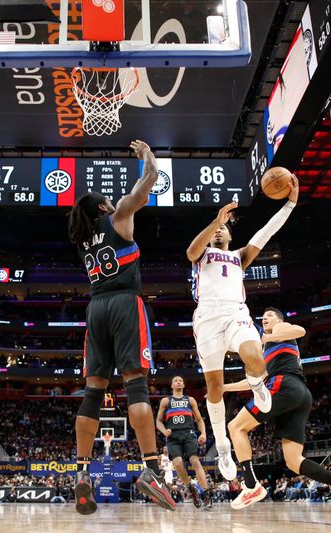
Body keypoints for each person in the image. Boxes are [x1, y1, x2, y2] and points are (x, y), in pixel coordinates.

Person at [67, 140, 175, 515]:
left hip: (95, 308)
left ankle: (81, 473)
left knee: (93, 392)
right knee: (136, 385)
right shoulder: (119, 216)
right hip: (126, 303)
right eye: (109, 202)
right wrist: (147, 156)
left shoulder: (82, 239)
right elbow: (151, 180)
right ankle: (148, 469)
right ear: (103, 207)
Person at [185, 177, 298, 480]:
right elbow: (191, 250)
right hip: (207, 318)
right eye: (216, 229)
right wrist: (215, 220)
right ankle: (222, 445)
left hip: (236, 313)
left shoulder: (240, 256)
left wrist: (290, 203)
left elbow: (266, 231)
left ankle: (259, 389)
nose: (220, 230)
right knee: (214, 388)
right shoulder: (203, 255)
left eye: (224, 227)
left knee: (254, 356)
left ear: (231, 236)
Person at [224, 307, 331, 518]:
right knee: (293, 460)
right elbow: (256, 379)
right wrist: (224, 388)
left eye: (269, 316)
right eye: (263, 318)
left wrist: (262, 337)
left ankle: (251, 485)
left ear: (279, 319)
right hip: (299, 394)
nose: (265, 319)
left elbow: (299, 330)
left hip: (284, 385)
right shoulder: (268, 348)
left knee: (235, 426)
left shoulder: (280, 329)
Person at [155, 376, 213, 509]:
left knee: (195, 461)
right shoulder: (166, 401)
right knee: (177, 463)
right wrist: (164, 431)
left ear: (184, 384)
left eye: (181, 380)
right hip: (173, 436)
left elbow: (199, 420)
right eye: (175, 380)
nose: (178, 382)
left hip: (189, 434)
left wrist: (203, 433)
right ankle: (190, 488)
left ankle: (207, 495)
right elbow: (158, 421)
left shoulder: (190, 400)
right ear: (172, 385)